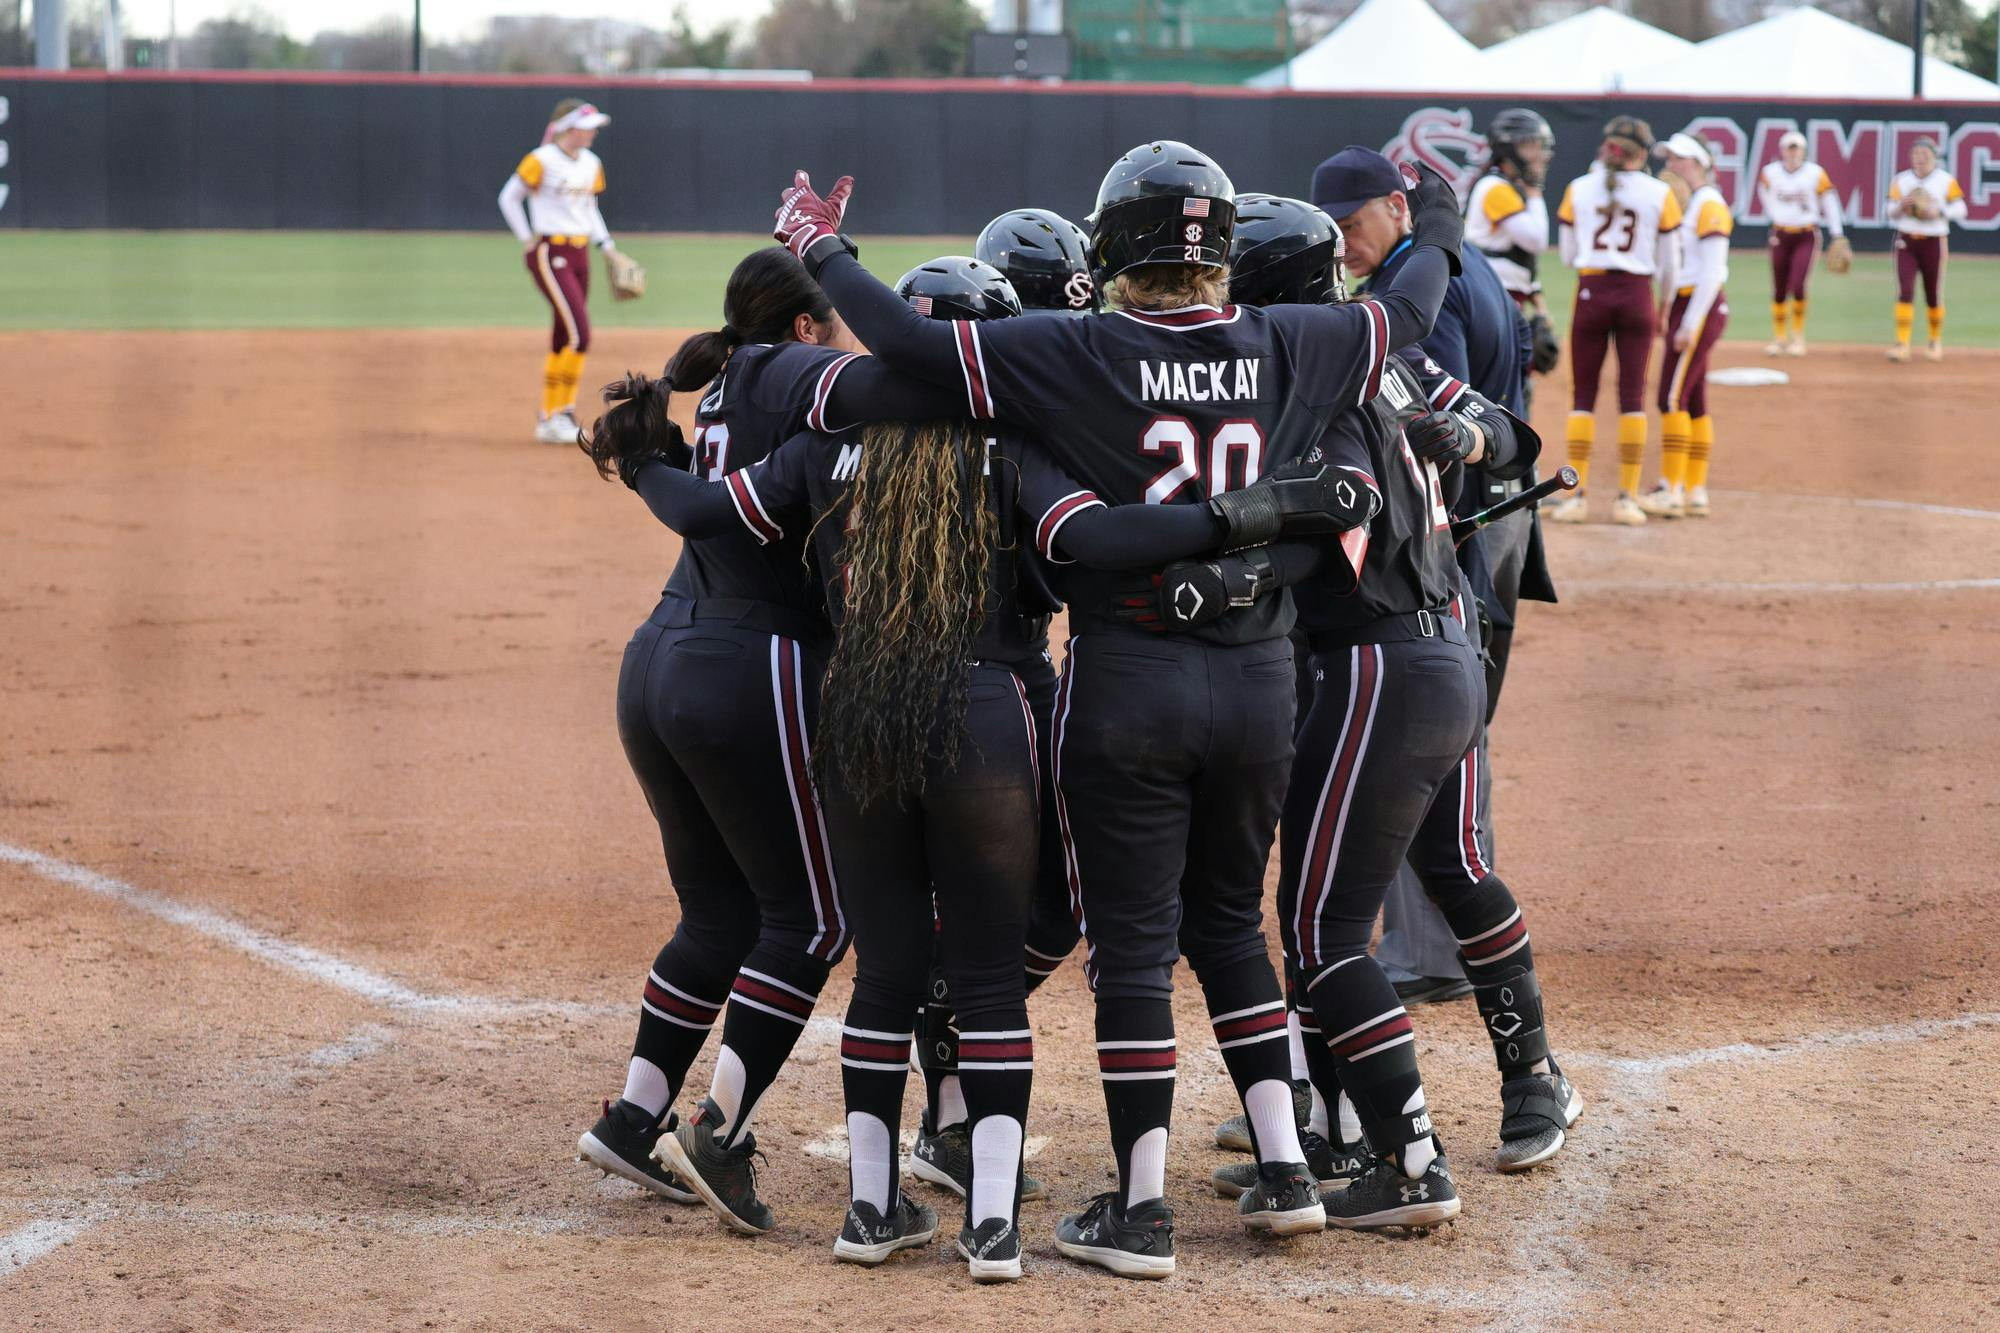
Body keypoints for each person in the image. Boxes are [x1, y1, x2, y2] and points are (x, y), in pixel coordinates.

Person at [773, 141, 1465, 1276]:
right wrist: (1432, 219)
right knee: (1233, 925)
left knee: (1134, 951)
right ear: (1220, 247)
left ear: (1111, 247)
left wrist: (819, 247)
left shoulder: (1073, 347)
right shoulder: (1300, 337)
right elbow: (1409, 312)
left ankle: (1140, 1210)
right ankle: (1289, 1167)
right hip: (1260, 684)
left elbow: (903, 342)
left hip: (1128, 677)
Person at [603, 256, 1368, 1280]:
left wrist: (645, 457)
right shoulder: (1014, 450)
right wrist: (1252, 516)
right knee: (989, 979)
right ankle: (993, 1229)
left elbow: (709, 515)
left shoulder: (826, 444)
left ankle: (868, 1212)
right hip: (986, 718)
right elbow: (1090, 538)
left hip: (858, 713)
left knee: (881, 973)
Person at [572, 247, 971, 1237]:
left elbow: (699, 502)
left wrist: (649, 465)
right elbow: (910, 373)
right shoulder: (793, 370)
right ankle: (719, 1130)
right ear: (802, 327)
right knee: (811, 923)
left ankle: (632, 1117)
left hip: (658, 654)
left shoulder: (722, 383)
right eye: (828, 322)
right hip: (751, 667)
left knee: (720, 915)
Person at [1309, 147, 1556, 1004]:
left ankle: (1425, 951)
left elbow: (1434, 398)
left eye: (1350, 228)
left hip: (1441, 538)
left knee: (1425, 747)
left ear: (1395, 206)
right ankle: (1445, 945)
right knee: (1453, 733)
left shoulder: (1416, 291)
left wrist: (1467, 446)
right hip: (1476, 526)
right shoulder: (1460, 264)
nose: (1342, 250)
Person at [906, 208, 1098, 1203]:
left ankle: (938, 1024)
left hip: (999, 680)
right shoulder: (996, 427)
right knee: (983, 910)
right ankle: (950, 1113)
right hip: (988, 685)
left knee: (1043, 904)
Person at [1544, 116, 1683, 527]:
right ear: (1641, 154)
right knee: (1632, 397)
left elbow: (1569, 256)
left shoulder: (1579, 189)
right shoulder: (1660, 192)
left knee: (1582, 396)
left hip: (1591, 291)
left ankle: (1578, 495)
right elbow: (1670, 264)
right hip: (1638, 293)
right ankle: (1627, 497)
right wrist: (1664, 305)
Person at [497, 98, 625, 445]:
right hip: (550, 251)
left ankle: (549, 417)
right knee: (579, 334)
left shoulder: (591, 162)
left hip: (581, 250)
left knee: (562, 334)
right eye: (589, 127)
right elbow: (509, 197)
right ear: (569, 127)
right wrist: (527, 239)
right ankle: (560, 414)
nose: (594, 132)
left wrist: (608, 247)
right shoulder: (542, 159)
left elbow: (590, 209)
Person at [1642, 135, 1733, 520]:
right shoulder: (1694, 202)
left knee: (1671, 397)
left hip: (1700, 304)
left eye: (1678, 158)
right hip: (1690, 304)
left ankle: (1671, 489)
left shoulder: (1709, 202)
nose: (1672, 165)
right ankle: (1695, 490)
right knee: (1694, 400)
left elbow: (1712, 271)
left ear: (1697, 161)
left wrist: (1690, 323)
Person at [1464, 109, 1560, 400]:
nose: (1539, 154)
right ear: (1508, 149)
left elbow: (1522, 259)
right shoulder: (1496, 189)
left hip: (1503, 298)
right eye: (1530, 145)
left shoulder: (1506, 187)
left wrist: (1539, 305)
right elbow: (1536, 240)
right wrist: (1535, 193)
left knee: (1515, 383)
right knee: (1503, 387)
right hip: (1490, 300)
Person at [1757, 129, 1846, 358]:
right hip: (1780, 233)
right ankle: (1779, 337)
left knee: (1798, 284)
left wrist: (1837, 233)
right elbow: (1764, 192)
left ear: (1803, 151)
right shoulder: (1771, 172)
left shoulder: (1815, 174)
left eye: (1797, 148)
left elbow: (1830, 202)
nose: (1793, 153)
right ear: (1782, 150)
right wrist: (1774, 214)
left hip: (1806, 234)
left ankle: (1797, 336)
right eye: (1789, 148)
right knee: (1778, 287)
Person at [1887, 138, 1966, 363]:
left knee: (1932, 293)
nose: (1920, 158)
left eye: (1925, 154)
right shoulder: (1902, 180)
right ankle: (1902, 343)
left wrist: (1938, 211)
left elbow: (1961, 208)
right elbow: (1889, 211)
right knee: (1905, 290)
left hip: (1933, 241)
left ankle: (1934, 341)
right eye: (1915, 153)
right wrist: (1901, 206)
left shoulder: (1944, 180)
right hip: (1907, 240)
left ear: (1934, 157)